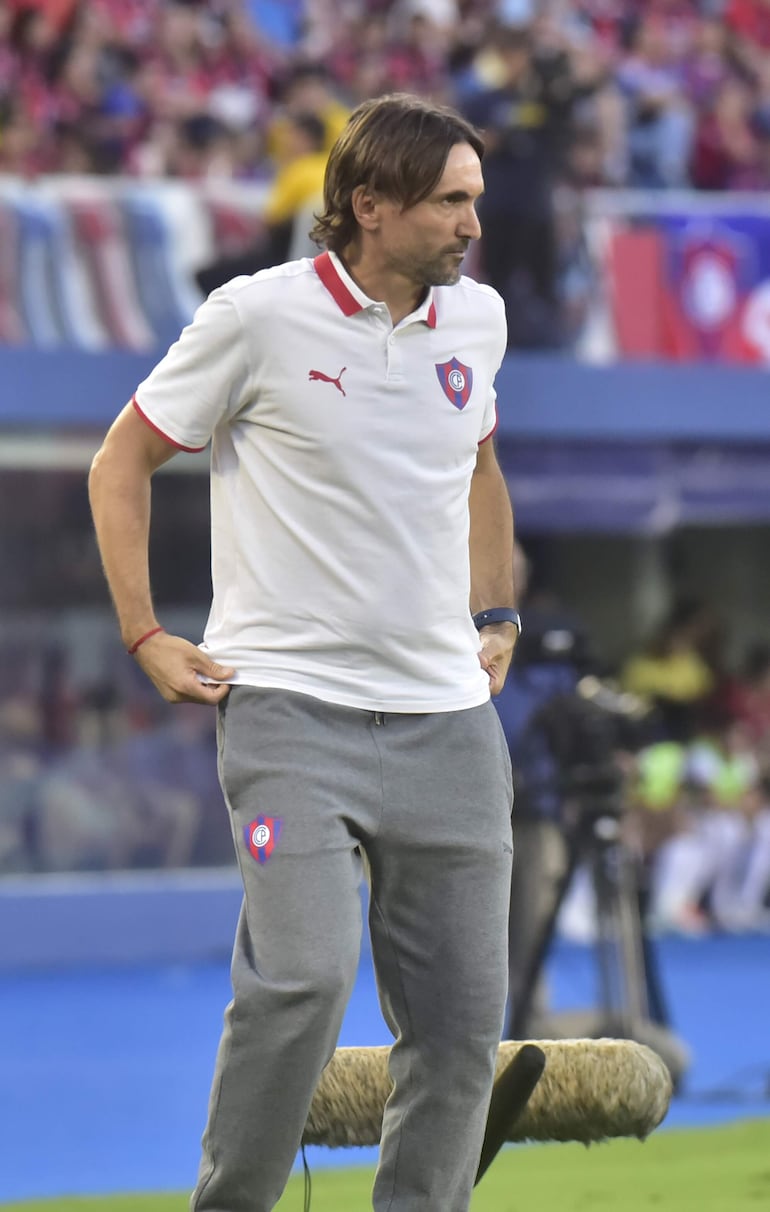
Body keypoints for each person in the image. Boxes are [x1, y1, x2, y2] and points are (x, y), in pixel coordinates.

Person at [88, 92, 520, 1212]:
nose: (472, 224)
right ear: (369, 204)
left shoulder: (478, 321)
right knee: (303, 981)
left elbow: (478, 465)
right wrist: (144, 631)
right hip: (288, 715)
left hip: (449, 725)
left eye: (474, 198)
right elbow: (121, 460)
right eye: (450, 202)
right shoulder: (255, 315)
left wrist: (496, 614)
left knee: (462, 1024)